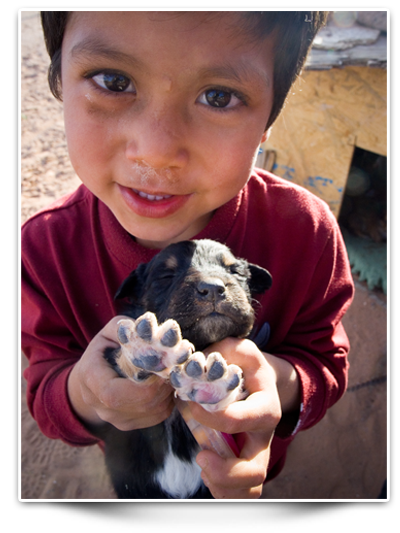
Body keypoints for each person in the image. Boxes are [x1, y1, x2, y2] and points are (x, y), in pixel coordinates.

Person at [22, 10, 354, 499]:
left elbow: (323, 361)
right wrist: (84, 394)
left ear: (268, 124)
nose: (155, 151)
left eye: (219, 96)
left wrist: (275, 382)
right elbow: (44, 380)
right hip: (133, 475)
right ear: (58, 85)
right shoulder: (42, 249)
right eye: (113, 81)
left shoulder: (306, 231)